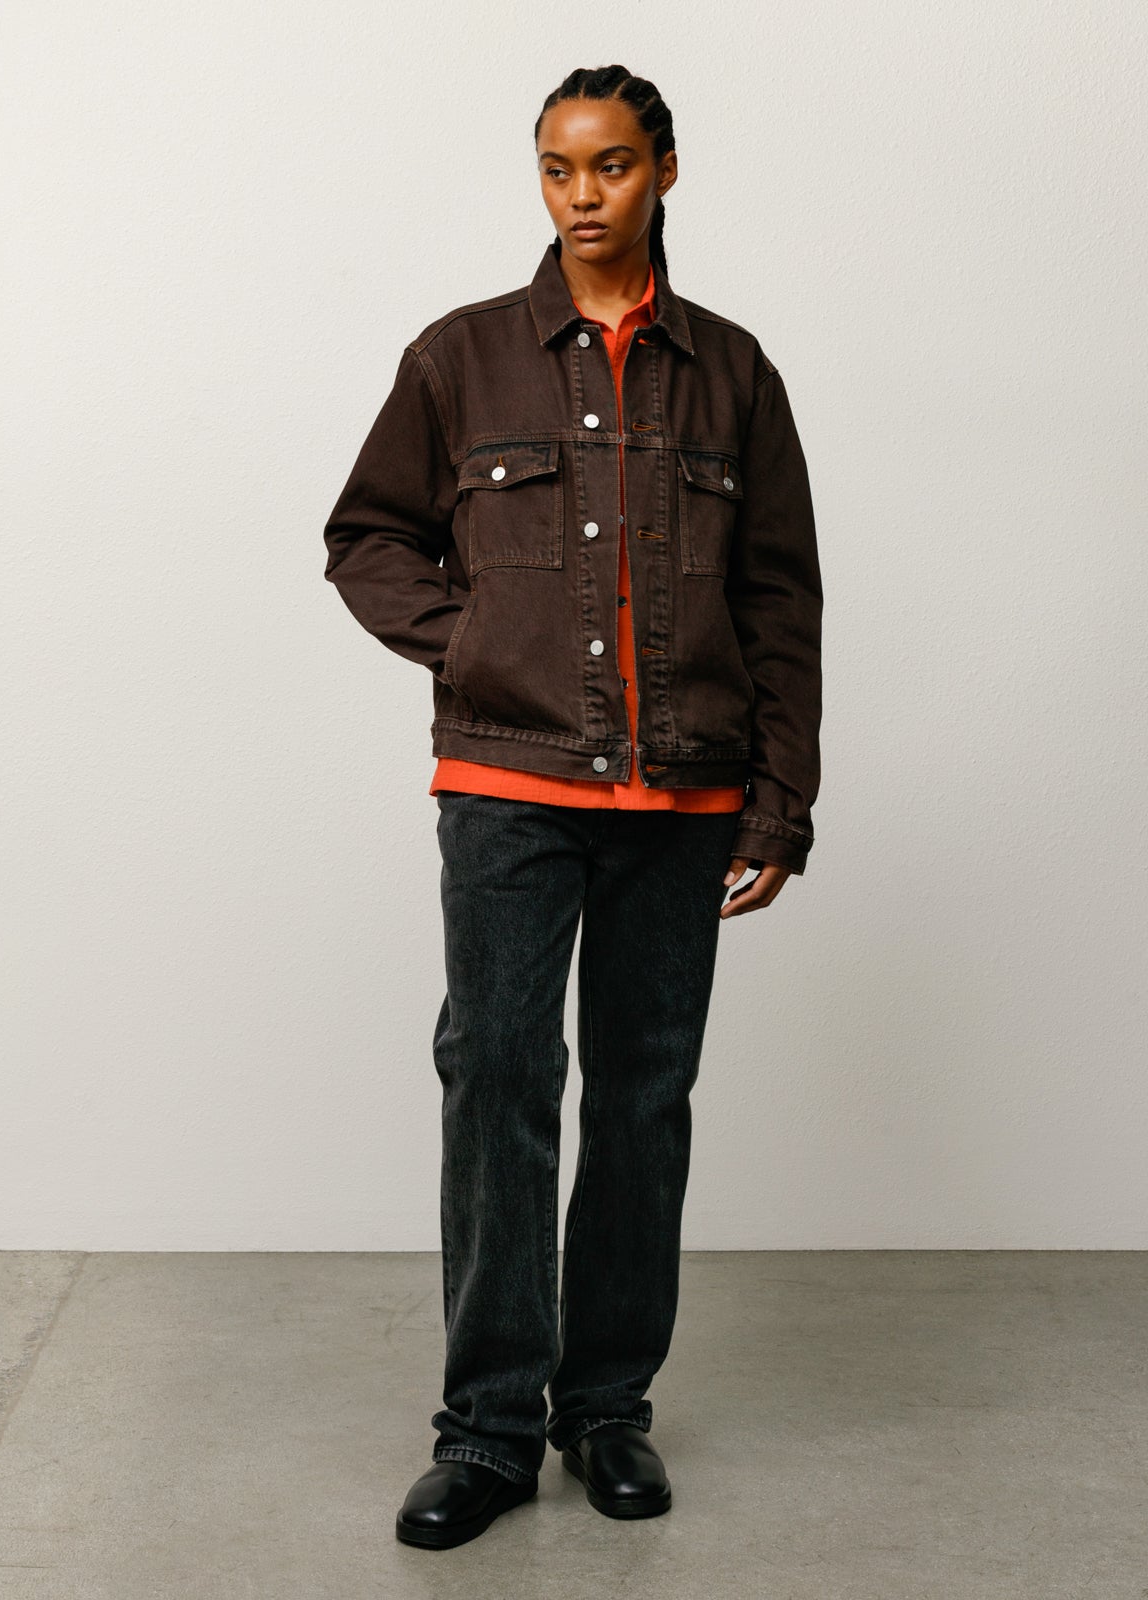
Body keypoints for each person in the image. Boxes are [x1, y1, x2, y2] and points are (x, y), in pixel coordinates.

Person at [323, 63, 823, 1549]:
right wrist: (478, 643)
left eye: (610, 164)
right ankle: (487, 1429)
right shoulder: (460, 356)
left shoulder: (734, 373)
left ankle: (606, 1407)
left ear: (663, 171)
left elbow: (781, 600)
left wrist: (779, 804)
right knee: (497, 1078)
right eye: (557, 167)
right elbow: (367, 536)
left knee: (643, 1098)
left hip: (687, 789)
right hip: (510, 785)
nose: (583, 193)